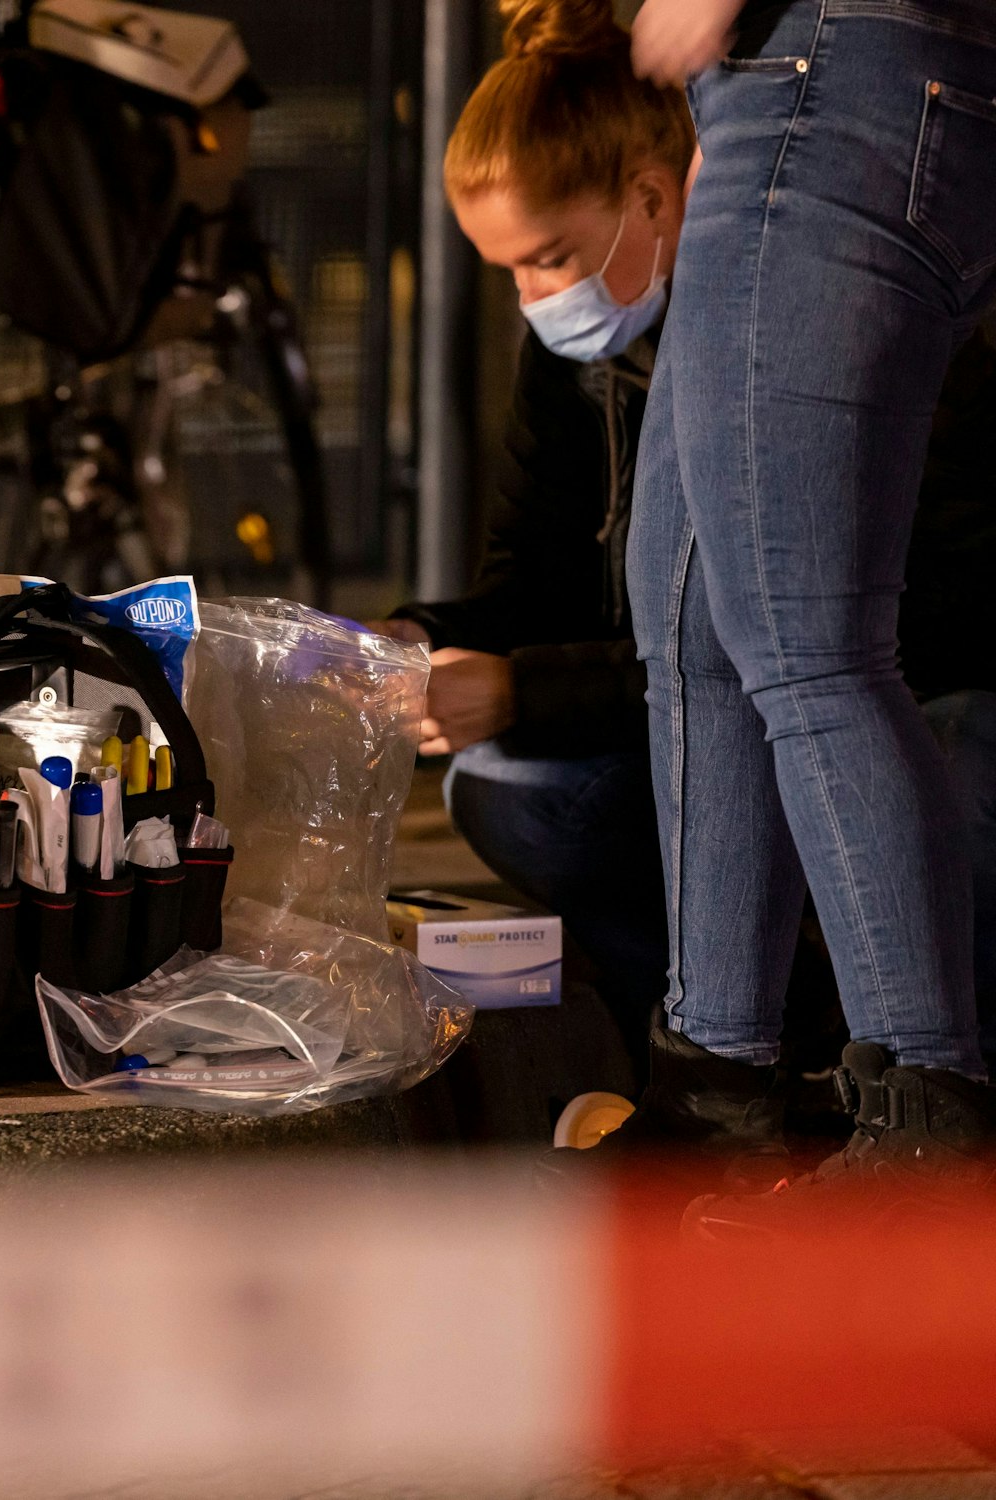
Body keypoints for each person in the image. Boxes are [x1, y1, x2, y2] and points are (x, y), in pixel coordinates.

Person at [381, 0, 996, 1187]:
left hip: (827, 71)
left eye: (546, 259)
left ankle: (925, 1123)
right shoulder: (586, 343)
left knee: (803, 645)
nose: (536, 296)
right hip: (764, 89)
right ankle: (711, 1093)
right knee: (690, 639)